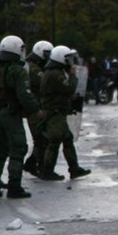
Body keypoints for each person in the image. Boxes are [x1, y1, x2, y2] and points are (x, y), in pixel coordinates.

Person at [0, 35, 41, 199]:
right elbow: (24, 94)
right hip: (11, 113)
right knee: (19, 148)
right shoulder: (18, 71)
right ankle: (14, 186)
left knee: (0, 150)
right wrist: (35, 109)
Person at [38, 45, 91, 180]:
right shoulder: (55, 74)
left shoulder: (53, 71)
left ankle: (74, 168)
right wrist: (73, 76)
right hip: (54, 112)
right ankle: (47, 171)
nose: (70, 62)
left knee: (67, 138)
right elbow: (69, 88)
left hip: (57, 111)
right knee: (54, 141)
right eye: (68, 59)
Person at [23, 40, 53, 178]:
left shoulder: (37, 66)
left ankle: (32, 163)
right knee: (40, 138)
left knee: (42, 139)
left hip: (39, 107)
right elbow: (44, 83)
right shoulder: (33, 68)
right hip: (34, 108)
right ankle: (39, 166)